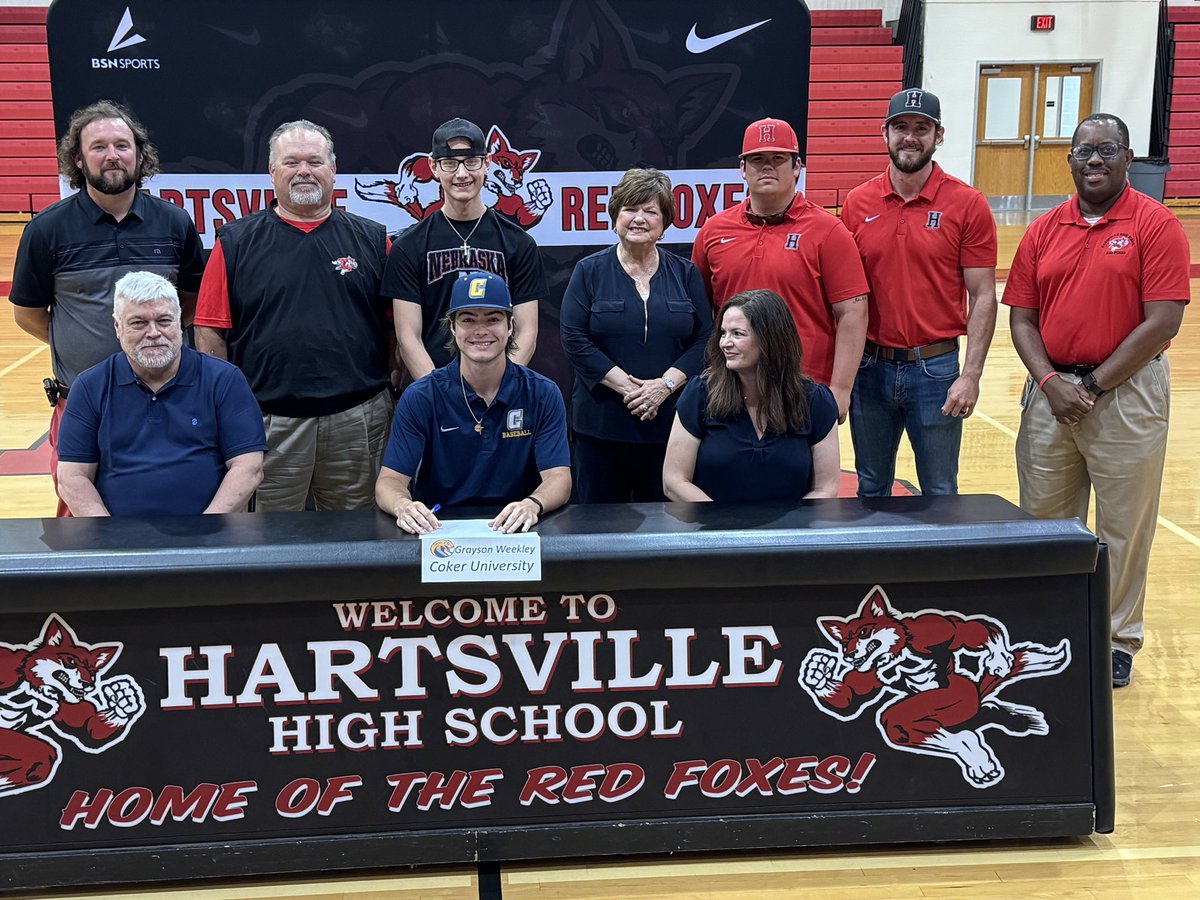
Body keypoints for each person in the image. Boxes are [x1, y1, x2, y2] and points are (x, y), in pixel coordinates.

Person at [1004, 113, 1190, 688]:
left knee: (1123, 527)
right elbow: (1022, 318)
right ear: (1070, 160)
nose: (1094, 160)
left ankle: (1115, 638)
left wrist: (1091, 386)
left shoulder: (1156, 224)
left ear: (1128, 158)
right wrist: (1050, 382)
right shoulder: (1044, 229)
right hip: (1051, 393)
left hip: (1127, 394)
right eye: (1084, 151)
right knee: (1043, 523)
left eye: (1107, 150)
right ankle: (1049, 631)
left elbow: (1163, 322)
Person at [8, 100, 206, 516]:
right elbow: (28, 314)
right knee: (82, 512)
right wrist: (82, 345)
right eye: (98, 147)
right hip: (83, 401)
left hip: (166, 395)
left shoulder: (174, 222)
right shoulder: (46, 229)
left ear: (139, 155)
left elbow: (189, 303)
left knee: (173, 507)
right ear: (79, 160)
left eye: (122, 145)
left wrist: (149, 346)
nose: (112, 155)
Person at [194, 119, 393, 512]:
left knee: (359, 537)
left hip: (356, 422)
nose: (304, 171)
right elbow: (210, 330)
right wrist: (230, 409)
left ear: (333, 170)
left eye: (314, 161)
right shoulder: (235, 242)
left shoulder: (373, 240)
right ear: (272, 172)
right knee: (269, 539)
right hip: (268, 424)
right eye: (291, 162)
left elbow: (396, 328)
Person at [842, 88, 998, 496]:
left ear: (938, 135)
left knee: (940, 490)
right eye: (901, 127)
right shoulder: (858, 203)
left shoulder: (968, 204)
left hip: (937, 370)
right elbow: (845, 296)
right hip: (869, 367)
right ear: (885, 133)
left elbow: (983, 295)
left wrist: (971, 375)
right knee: (870, 486)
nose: (910, 137)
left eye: (921, 128)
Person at [692, 117, 868, 421]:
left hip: (803, 388)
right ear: (743, 168)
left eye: (778, 158)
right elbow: (700, 310)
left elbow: (853, 313)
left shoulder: (829, 231)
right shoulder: (713, 231)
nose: (767, 167)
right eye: (757, 159)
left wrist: (840, 389)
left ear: (797, 167)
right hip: (730, 388)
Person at [55, 272, 265, 517]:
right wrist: (107, 534)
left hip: (211, 531)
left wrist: (208, 530)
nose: (154, 333)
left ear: (180, 322)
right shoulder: (89, 386)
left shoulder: (224, 380)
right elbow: (72, 477)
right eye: (138, 323)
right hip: (117, 533)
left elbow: (248, 467)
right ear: (117, 327)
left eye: (164, 321)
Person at [377, 271, 571, 534]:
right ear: (453, 327)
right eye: (468, 319)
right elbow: (389, 481)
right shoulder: (422, 395)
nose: (481, 331)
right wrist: (403, 505)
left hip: (518, 528)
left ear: (510, 326)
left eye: (493, 319)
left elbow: (559, 478)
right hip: (440, 529)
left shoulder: (542, 393)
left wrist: (532, 504)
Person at [560, 169, 712, 502]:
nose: (639, 218)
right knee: (597, 525)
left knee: (667, 526)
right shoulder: (589, 270)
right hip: (600, 428)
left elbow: (705, 339)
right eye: (630, 209)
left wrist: (664, 387)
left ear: (665, 222)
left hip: (671, 428)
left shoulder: (686, 273)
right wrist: (632, 389)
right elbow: (573, 338)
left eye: (650, 211)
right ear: (615, 217)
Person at [386, 117, 546, 380]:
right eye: (450, 164)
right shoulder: (409, 246)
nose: (462, 174)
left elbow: (526, 331)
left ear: (487, 164)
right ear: (433, 167)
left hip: (499, 390)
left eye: (471, 162)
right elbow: (408, 337)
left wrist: (496, 387)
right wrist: (439, 393)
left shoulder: (519, 243)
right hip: (433, 390)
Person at [663, 289, 840, 503]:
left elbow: (826, 488)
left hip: (793, 523)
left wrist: (791, 523)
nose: (725, 343)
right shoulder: (699, 394)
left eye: (737, 334)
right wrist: (722, 520)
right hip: (713, 522)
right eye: (723, 333)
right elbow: (674, 481)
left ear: (770, 339)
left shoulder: (816, 401)